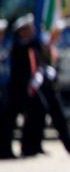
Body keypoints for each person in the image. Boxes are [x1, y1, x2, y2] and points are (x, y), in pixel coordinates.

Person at [0, 14, 47, 158]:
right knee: (7, 120)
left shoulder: (27, 44)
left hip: (21, 87)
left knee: (36, 113)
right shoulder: (15, 46)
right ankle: (6, 150)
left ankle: (29, 147)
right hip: (13, 88)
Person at [34, 20, 70, 155]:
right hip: (44, 88)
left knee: (58, 118)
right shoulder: (43, 45)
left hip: (52, 88)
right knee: (42, 117)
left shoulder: (51, 47)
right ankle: (35, 146)